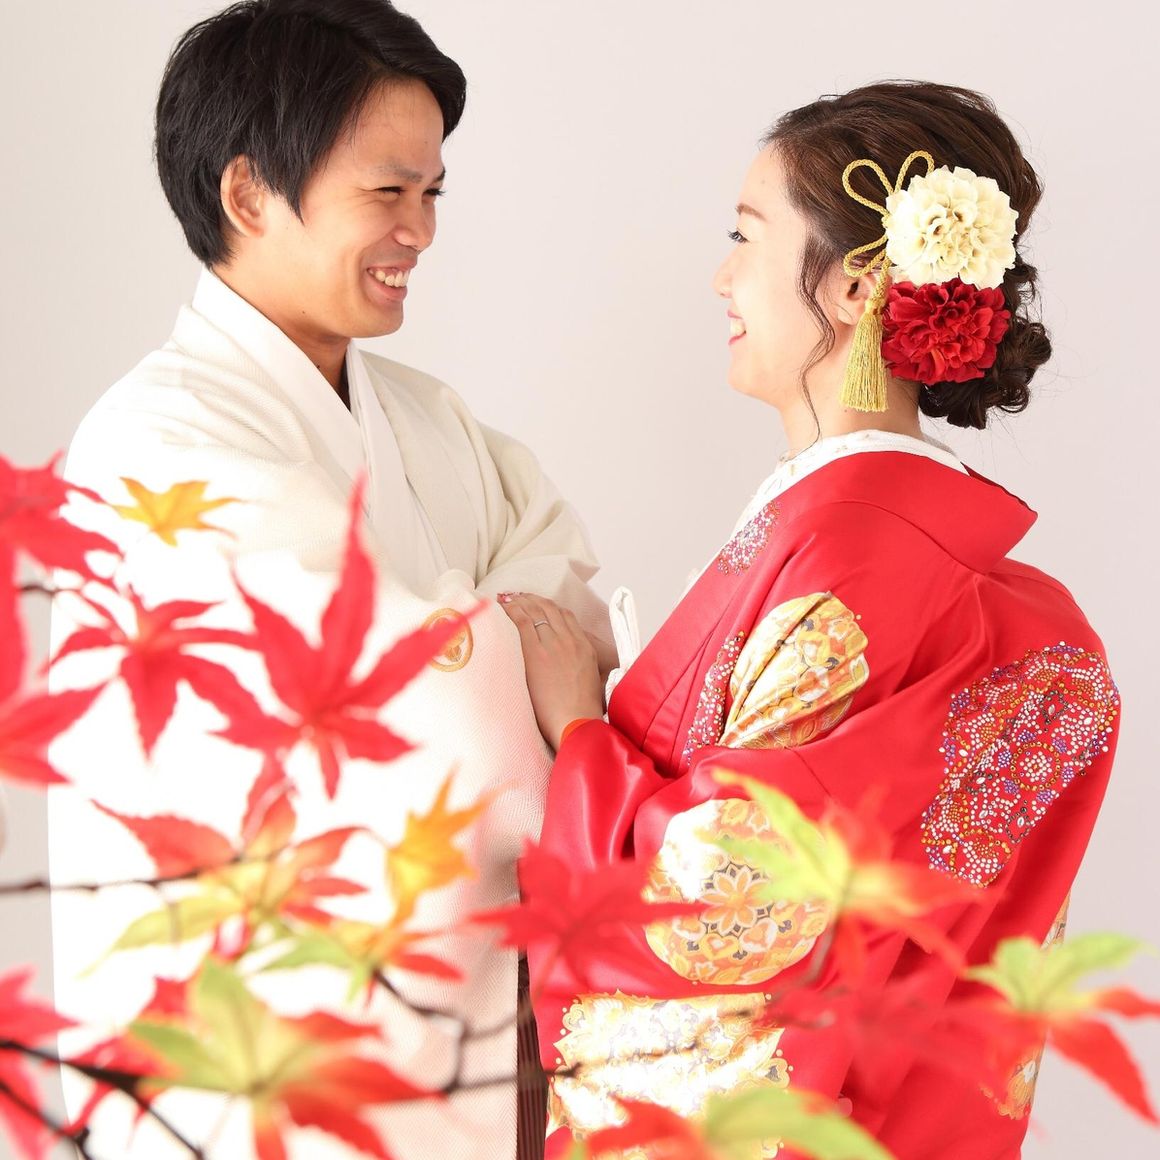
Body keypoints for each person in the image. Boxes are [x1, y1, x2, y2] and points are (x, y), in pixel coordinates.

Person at [503, 81, 1120, 1158]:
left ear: (854, 283)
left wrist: (579, 732)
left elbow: (724, 905)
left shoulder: (850, 554)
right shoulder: (922, 557)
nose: (722, 277)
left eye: (745, 236)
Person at [47, 2, 610, 1157]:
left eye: (433, 193)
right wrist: (501, 646)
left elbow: (571, 593)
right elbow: (407, 700)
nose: (421, 230)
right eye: (387, 191)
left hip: (468, 1031)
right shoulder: (154, 447)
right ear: (249, 193)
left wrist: (467, 628)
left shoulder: (429, 418)